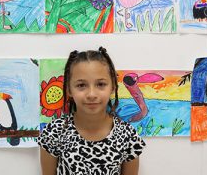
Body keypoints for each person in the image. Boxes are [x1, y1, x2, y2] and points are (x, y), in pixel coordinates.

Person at [38, 47, 146, 175]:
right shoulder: (54, 133)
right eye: (81, 85)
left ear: (113, 87)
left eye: (100, 84)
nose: (91, 94)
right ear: (69, 90)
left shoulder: (128, 136)